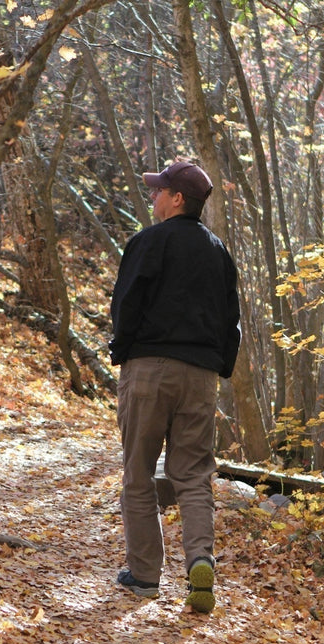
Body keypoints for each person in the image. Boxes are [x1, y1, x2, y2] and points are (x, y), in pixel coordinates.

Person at [109, 160, 241, 613]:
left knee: (139, 471)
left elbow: (126, 305)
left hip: (149, 368)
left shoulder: (148, 242)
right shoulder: (219, 253)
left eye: (159, 190)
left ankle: (144, 576)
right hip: (201, 376)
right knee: (193, 475)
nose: (154, 196)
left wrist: (122, 350)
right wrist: (219, 366)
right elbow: (232, 323)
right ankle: (200, 559)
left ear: (178, 199)